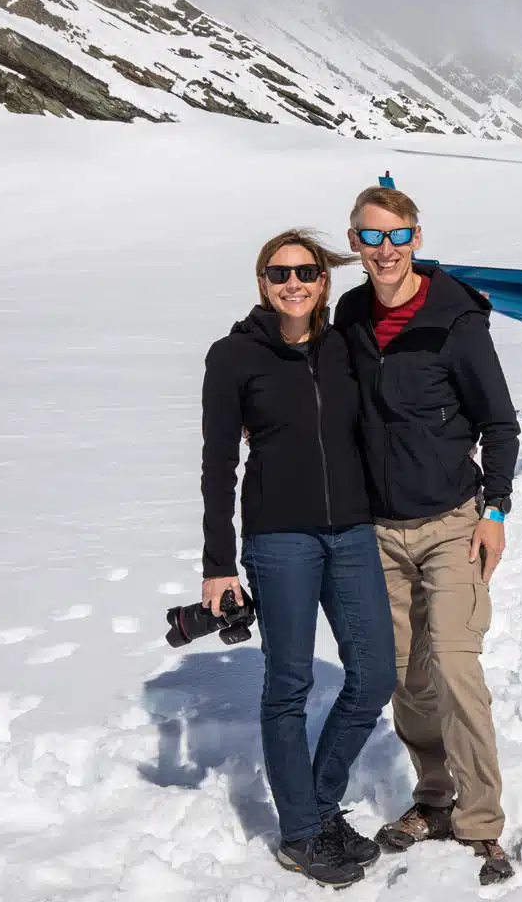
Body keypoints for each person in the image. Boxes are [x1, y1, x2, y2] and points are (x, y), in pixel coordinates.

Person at [333, 185, 520, 886]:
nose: (385, 251)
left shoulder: (455, 320)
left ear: (417, 237)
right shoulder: (349, 315)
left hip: (450, 523)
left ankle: (481, 822)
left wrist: (494, 512)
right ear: (353, 243)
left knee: (454, 661)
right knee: (405, 674)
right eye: (370, 237)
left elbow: (499, 424)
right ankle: (432, 797)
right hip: (376, 529)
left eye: (397, 236)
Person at [200, 229, 396, 889]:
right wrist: (218, 563)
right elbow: (218, 464)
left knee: (374, 677)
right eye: (279, 273)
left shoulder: (344, 347)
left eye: (306, 272)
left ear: (322, 282)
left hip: (352, 534)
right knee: (288, 687)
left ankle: (316, 802)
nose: (293, 283)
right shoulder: (233, 357)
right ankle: (300, 834)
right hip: (278, 539)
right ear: (262, 282)